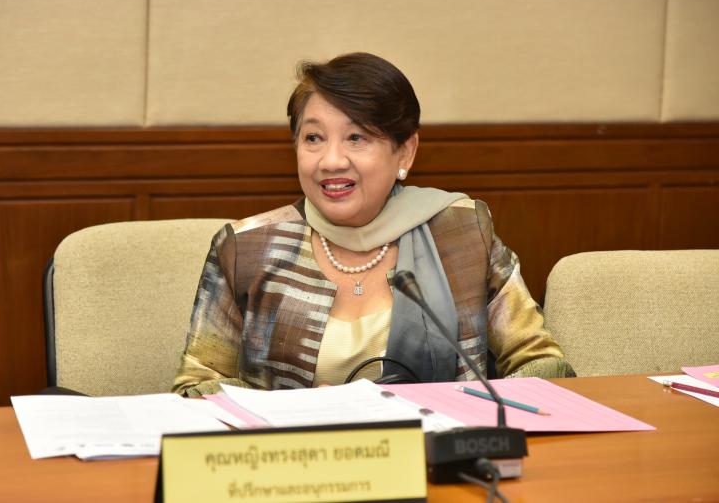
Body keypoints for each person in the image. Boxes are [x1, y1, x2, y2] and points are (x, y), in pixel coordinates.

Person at [173, 52, 574, 397]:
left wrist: (467, 407)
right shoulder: (247, 247)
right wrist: (297, 412)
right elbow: (196, 388)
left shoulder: (462, 233)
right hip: (291, 456)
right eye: (313, 138)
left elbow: (542, 363)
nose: (331, 161)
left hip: (438, 450)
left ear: (405, 152)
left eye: (356, 137)